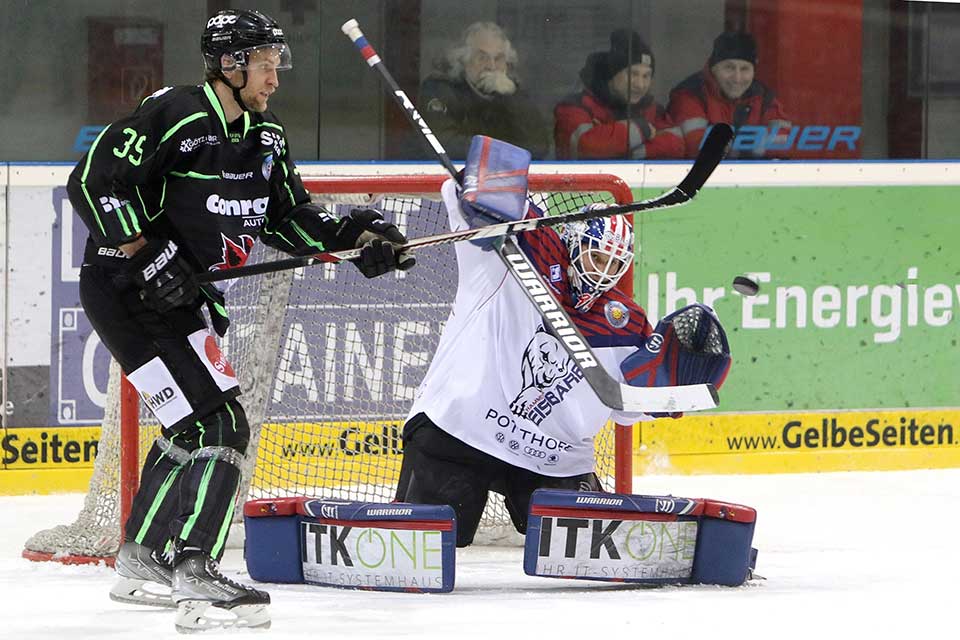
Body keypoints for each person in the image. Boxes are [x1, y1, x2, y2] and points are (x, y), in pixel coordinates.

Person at [66, 9, 413, 632]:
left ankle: (143, 556)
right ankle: (196, 570)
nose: (275, 77)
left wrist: (355, 236)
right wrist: (145, 254)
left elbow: (288, 218)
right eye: (266, 63)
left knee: (193, 424)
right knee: (223, 421)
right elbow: (93, 182)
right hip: (125, 286)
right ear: (230, 64)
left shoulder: (266, 136)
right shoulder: (177, 112)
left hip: (178, 298)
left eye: (279, 63)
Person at [394, 176, 729, 547]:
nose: (603, 271)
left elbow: (627, 407)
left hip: (552, 457)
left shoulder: (624, 321)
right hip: (459, 433)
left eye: (615, 263)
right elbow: (458, 186)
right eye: (597, 256)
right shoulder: (511, 252)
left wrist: (671, 390)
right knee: (426, 545)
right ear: (574, 241)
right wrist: (483, 198)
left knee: (586, 548)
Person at [415, 22, 550, 160]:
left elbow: (539, 147)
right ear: (464, 60)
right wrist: (504, 151)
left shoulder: (513, 93)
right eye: (482, 58)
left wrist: (512, 96)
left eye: (498, 59)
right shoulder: (440, 89)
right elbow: (443, 145)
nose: (491, 66)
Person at [555, 30, 684, 160]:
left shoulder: (652, 109)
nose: (640, 84)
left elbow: (676, 145)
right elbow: (585, 147)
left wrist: (632, 152)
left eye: (646, 76)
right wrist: (642, 128)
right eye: (633, 74)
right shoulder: (575, 107)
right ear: (613, 75)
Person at [668, 31, 791, 159]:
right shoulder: (690, 95)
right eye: (729, 68)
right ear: (713, 68)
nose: (737, 78)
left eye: (745, 69)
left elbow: (783, 145)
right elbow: (699, 150)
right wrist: (753, 147)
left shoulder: (764, 97)